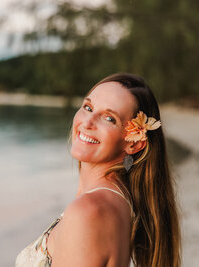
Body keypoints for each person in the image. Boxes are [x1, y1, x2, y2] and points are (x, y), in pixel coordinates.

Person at [15, 73, 181, 267]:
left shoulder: (89, 212)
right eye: (88, 107)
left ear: (134, 144)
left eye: (109, 118)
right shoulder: (117, 201)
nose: (86, 122)